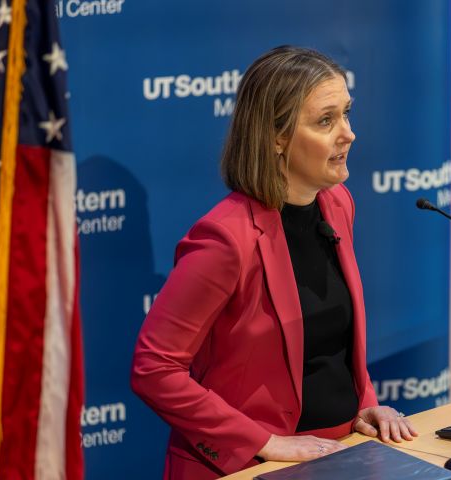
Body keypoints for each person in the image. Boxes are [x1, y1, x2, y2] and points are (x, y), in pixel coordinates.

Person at [130, 46, 417, 479]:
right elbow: (154, 369)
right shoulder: (225, 238)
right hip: (249, 466)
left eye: (346, 113)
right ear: (277, 137)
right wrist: (266, 442)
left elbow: (329, 348)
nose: (349, 134)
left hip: (341, 451)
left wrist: (365, 404)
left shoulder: (337, 204)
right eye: (326, 120)